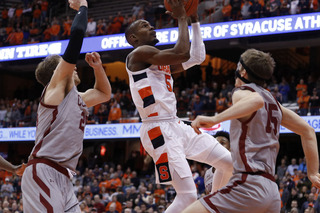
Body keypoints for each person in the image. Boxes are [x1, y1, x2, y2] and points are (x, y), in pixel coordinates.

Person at [125, 0, 233, 212]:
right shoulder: (138, 55)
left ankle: (213, 203)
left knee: (230, 164)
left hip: (176, 125)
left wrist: (194, 20)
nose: (152, 27)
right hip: (158, 130)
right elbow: (182, 52)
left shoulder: (157, 60)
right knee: (187, 194)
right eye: (145, 26)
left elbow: (196, 57)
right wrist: (181, 16)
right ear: (134, 38)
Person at [183, 48, 320, 213]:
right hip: (271, 191)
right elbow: (308, 131)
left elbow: (256, 101)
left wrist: (214, 119)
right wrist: (312, 173)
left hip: (248, 185)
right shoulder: (275, 104)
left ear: (242, 70)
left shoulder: (242, 92)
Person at [21, 0, 112, 212]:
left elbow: (104, 94)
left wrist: (98, 68)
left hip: (63, 175)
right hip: (43, 171)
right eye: (70, 66)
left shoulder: (76, 98)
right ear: (60, 72)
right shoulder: (54, 93)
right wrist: (83, 6)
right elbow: (77, 34)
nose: (76, 68)